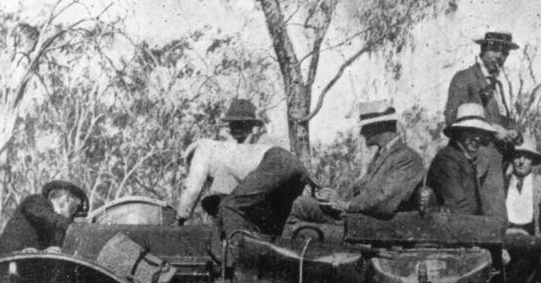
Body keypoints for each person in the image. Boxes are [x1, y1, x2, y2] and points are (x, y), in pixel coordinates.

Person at [176, 98, 312, 237]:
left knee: (230, 206)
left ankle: (236, 249)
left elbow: (193, 188)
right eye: (234, 124)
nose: (237, 128)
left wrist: (180, 218)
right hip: (282, 181)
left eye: (242, 124)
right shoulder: (229, 152)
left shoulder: (203, 150)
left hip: (279, 174)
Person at [290, 100, 425, 223]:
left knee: (295, 223)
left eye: (365, 127)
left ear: (380, 127)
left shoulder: (408, 158)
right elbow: (361, 189)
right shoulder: (384, 155)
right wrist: (337, 196)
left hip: (374, 229)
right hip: (360, 221)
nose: (362, 133)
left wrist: (346, 205)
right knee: (298, 204)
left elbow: (385, 201)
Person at [444, 31, 522, 226]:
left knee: (495, 220)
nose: (500, 56)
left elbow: (504, 120)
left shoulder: (500, 87)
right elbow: (451, 118)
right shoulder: (465, 78)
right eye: (494, 49)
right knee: (484, 220)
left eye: (504, 52)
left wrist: (512, 132)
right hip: (474, 160)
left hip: (498, 163)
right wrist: (493, 130)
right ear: (483, 49)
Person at [426, 103, 502, 216]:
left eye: (480, 133)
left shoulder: (465, 158)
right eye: (471, 132)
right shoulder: (447, 159)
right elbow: (458, 206)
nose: (477, 138)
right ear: (459, 132)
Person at [505, 134, 541, 235]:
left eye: (527, 157)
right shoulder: (503, 183)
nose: (521, 162)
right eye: (517, 156)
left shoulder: (540, 185)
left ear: (532, 160)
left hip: (532, 240)